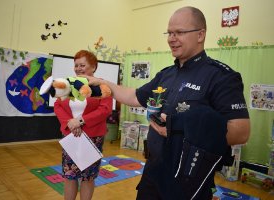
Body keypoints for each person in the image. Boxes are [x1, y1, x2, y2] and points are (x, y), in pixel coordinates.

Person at [82, 6, 250, 200]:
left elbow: (241, 131)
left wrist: (178, 129)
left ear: (200, 34)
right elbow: (135, 96)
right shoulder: (166, 75)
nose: (172, 38)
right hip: (153, 175)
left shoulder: (221, 77)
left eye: (179, 32)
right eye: (169, 33)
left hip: (189, 181)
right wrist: (104, 83)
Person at [54, 50, 112, 200]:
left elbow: (105, 109)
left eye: (82, 65)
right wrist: (70, 123)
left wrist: (80, 121)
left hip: (92, 137)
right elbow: (58, 105)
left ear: (93, 67)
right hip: (71, 135)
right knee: (69, 175)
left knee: (88, 176)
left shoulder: (101, 85)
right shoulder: (68, 84)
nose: (78, 68)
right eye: (76, 65)